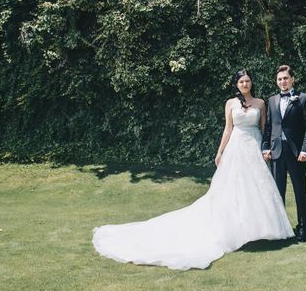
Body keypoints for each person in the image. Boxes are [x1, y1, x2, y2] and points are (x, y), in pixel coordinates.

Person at [92, 70, 294, 270]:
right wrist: (220, 152)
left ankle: (259, 230)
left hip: (253, 146)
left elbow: (264, 128)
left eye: (248, 80)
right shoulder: (230, 103)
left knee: (256, 189)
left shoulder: (260, 103)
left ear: (251, 83)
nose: (245, 84)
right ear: (236, 84)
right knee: (232, 189)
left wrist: (264, 148)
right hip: (236, 148)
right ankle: (235, 231)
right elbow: (228, 129)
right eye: (241, 81)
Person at [262, 64, 306, 242]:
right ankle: (280, 227)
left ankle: (302, 227)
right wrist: (265, 147)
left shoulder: (303, 99)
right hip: (277, 151)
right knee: (278, 192)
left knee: (300, 190)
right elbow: (269, 126)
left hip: (296, 152)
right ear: (277, 82)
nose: (282, 81)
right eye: (279, 79)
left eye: (285, 78)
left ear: (292, 79)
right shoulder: (272, 100)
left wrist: (305, 150)